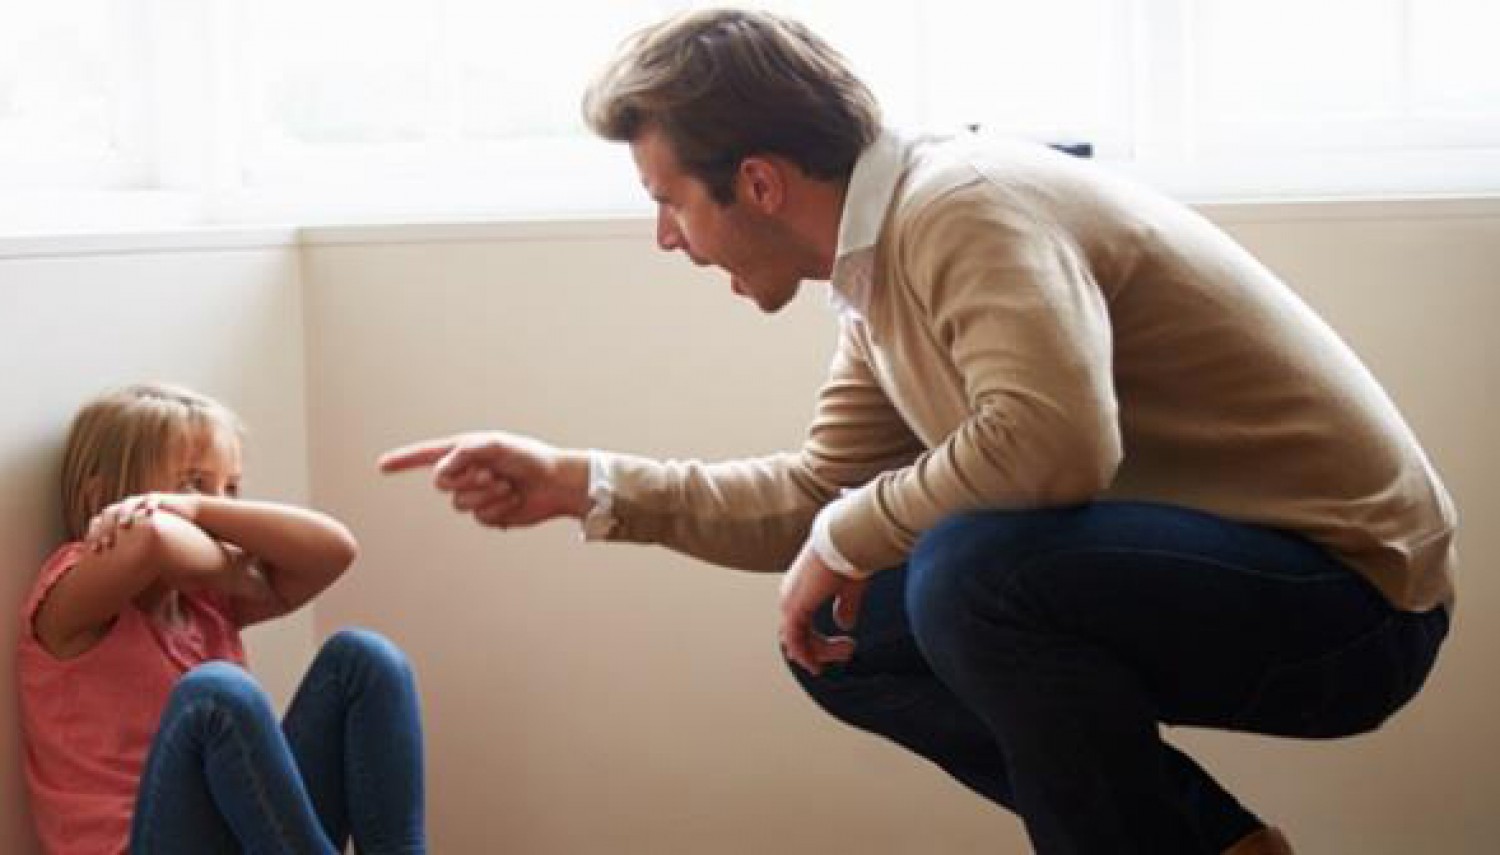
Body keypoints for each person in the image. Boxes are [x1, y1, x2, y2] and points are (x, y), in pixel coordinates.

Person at [378, 9, 1455, 854]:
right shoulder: (877, 265)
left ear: (759, 183)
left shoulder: (962, 205)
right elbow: (818, 499)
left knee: (969, 571)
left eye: (670, 202)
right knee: (844, 634)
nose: (666, 237)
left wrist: (850, 531)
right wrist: (584, 482)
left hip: (1355, 604)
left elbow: (1053, 444)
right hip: (1246, 582)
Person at [18, 382, 426, 854]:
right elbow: (152, 538)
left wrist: (195, 508)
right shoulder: (72, 597)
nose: (220, 508)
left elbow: (336, 549)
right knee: (217, 693)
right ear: (102, 499)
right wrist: (234, 567)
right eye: (192, 483)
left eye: (230, 489)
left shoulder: (206, 603)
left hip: (253, 837)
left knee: (364, 659)